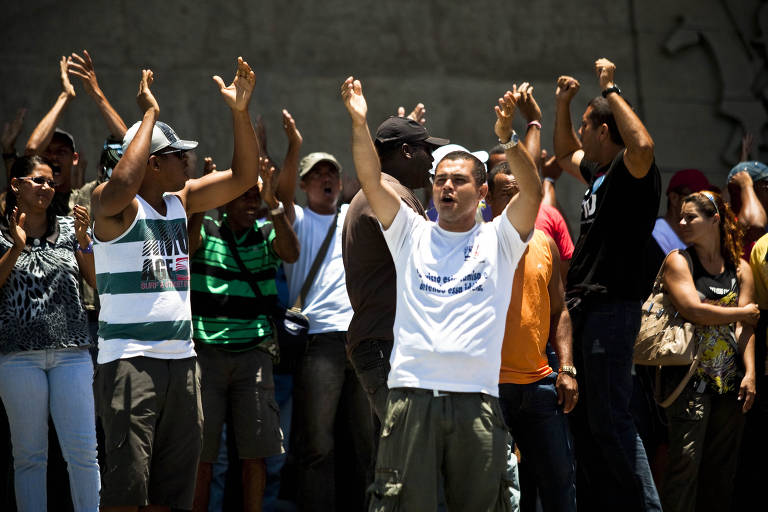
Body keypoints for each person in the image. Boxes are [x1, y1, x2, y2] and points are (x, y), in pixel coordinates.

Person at [342, 75, 540, 510]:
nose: (447, 186)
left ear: (483, 192)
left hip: (478, 404)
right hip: (412, 398)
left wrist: (507, 137)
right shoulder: (409, 232)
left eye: (459, 180)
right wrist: (360, 124)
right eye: (440, 179)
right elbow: (372, 181)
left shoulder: (501, 240)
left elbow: (534, 191)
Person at [90, 58, 260, 511]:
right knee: (128, 492)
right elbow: (123, 181)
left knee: (173, 491)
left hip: (183, 365)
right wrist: (148, 115)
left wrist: (240, 113)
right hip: (130, 362)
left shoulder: (178, 200)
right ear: (151, 163)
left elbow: (245, 178)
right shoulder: (111, 207)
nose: (187, 160)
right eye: (177, 155)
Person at [553, 58, 661, 510]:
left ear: (604, 128)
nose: (579, 133)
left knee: (612, 419)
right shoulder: (598, 174)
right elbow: (562, 155)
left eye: (584, 125)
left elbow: (645, 145)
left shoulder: (629, 170)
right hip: (587, 311)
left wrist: (612, 90)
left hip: (613, 307)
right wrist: (562, 104)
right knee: (592, 422)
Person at [189, 155, 299, 512]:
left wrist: (276, 205)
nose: (252, 203)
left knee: (257, 455)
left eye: (256, 196)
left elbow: (291, 253)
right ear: (225, 199)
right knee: (203, 457)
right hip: (207, 355)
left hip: (254, 355)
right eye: (244, 196)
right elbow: (187, 246)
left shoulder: (268, 232)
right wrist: (202, 201)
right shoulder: (206, 230)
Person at [276, 119, 373, 510]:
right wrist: (294, 144)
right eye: (317, 174)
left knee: (366, 442)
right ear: (304, 184)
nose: (326, 179)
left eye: (332, 172)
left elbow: (381, 191)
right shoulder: (296, 218)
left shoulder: (352, 214)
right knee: (317, 444)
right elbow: (280, 195)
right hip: (319, 343)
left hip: (360, 340)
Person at [0, 155, 99, 511]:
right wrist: (16, 246)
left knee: (84, 452)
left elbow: (93, 279)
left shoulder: (71, 227)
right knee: (29, 456)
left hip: (71, 353)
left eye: (50, 181)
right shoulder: (1, 229)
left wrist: (85, 239)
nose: (46, 186)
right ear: (16, 185)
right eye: (38, 180)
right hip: (18, 357)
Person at [343, 113, 448, 423]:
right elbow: (432, 263)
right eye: (425, 149)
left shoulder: (390, 192)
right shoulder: (392, 196)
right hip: (387, 344)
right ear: (405, 151)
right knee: (410, 452)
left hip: (385, 343)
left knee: (402, 452)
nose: (432, 158)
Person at [659, 191, 758, 511]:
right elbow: (693, 309)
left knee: (721, 473)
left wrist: (751, 373)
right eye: (681, 216)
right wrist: (741, 313)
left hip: (730, 385)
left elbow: (747, 329)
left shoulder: (740, 269)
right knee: (684, 468)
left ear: (714, 220)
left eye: (692, 217)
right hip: (689, 383)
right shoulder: (679, 260)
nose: (682, 222)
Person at [488, 160, 578, 512]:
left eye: (522, 195)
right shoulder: (477, 243)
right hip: (491, 389)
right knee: (504, 489)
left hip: (541, 385)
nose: (516, 203)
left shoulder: (545, 243)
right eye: (507, 195)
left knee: (560, 482)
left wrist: (567, 368)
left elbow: (560, 311)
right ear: (488, 199)